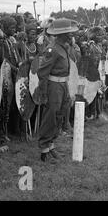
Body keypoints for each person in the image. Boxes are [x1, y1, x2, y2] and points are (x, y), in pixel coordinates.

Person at [37, 18, 78, 162]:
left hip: (63, 85)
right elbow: (42, 72)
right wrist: (43, 92)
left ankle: (51, 145)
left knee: (59, 115)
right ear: (62, 34)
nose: (71, 35)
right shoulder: (52, 49)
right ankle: (44, 150)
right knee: (50, 116)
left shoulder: (64, 47)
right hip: (53, 87)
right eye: (68, 33)